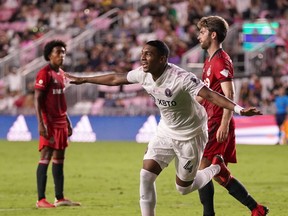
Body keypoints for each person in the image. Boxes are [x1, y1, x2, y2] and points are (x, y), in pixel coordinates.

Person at [65, 40, 262, 216]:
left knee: (183, 188)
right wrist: (84, 79)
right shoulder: (144, 75)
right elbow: (116, 79)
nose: (143, 58)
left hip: (191, 134)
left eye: (148, 54)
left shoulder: (181, 78)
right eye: (142, 53)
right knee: (146, 174)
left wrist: (238, 109)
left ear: (162, 59)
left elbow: (210, 95)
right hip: (166, 131)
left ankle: (216, 167)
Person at [196, 16, 269, 216]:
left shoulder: (221, 60)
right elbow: (205, 93)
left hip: (217, 120)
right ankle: (257, 209)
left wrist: (224, 123)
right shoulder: (210, 60)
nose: (198, 36)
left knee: (201, 170)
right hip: (210, 120)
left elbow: (229, 94)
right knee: (218, 175)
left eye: (201, 32)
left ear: (212, 35)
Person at [34, 40, 81, 208]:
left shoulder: (61, 74)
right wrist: (41, 123)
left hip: (61, 121)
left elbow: (60, 100)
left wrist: (67, 121)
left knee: (59, 159)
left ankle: (59, 198)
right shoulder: (44, 73)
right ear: (49, 55)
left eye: (63, 52)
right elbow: (38, 100)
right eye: (58, 52)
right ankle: (41, 199)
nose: (62, 55)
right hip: (49, 122)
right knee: (45, 157)